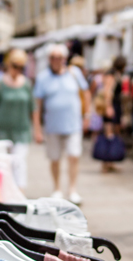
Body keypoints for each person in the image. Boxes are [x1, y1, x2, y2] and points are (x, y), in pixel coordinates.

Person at [33, 44, 90, 204]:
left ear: (64, 59)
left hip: (73, 124)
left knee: (74, 156)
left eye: (58, 57)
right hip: (52, 126)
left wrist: (87, 115)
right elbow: (37, 105)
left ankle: (72, 189)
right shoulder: (43, 77)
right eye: (52, 57)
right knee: (55, 158)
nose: (56, 61)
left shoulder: (74, 73)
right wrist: (37, 128)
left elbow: (86, 93)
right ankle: (57, 188)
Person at [0, 49, 34, 190]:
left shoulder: (26, 84)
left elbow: (33, 108)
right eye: (15, 66)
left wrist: (37, 129)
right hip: (1, 131)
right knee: (2, 163)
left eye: (21, 67)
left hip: (21, 130)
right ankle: (2, 192)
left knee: (19, 162)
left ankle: (19, 194)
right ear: (9, 65)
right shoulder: (0, 83)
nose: (18, 70)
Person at [97, 56, 127, 173]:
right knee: (108, 133)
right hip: (112, 106)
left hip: (116, 106)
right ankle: (105, 162)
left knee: (113, 133)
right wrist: (109, 107)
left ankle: (111, 161)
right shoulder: (111, 74)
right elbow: (107, 91)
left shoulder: (116, 74)